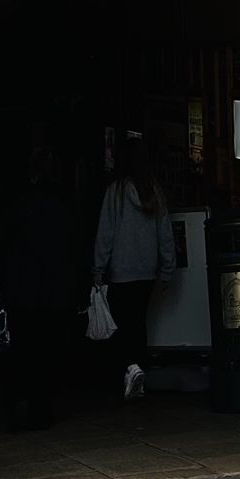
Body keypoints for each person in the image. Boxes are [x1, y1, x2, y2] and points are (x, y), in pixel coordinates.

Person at [92, 137, 175, 400]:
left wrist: (97, 270)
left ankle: (130, 370)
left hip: (120, 271)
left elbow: (105, 235)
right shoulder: (154, 192)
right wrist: (168, 268)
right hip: (147, 271)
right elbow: (166, 233)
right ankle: (137, 369)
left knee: (121, 325)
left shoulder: (114, 193)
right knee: (138, 321)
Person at [3, 147, 77, 431]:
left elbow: (2, 242)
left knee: (24, 349)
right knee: (51, 351)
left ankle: (23, 399)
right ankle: (42, 407)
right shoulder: (67, 205)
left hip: (22, 291)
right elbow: (77, 249)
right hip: (58, 293)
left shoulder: (19, 203)